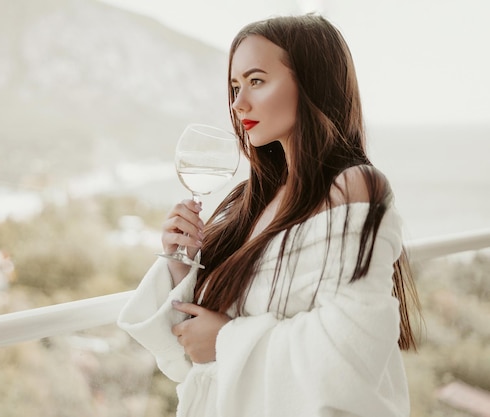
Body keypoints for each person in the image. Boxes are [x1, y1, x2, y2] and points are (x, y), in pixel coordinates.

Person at [118, 14, 422, 417]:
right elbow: (190, 348)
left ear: (311, 82)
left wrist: (227, 339)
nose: (238, 102)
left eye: (256, 81)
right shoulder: (253, 199)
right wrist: (182, 260)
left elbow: (351, 351)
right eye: (234, 86)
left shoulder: (354, 189)